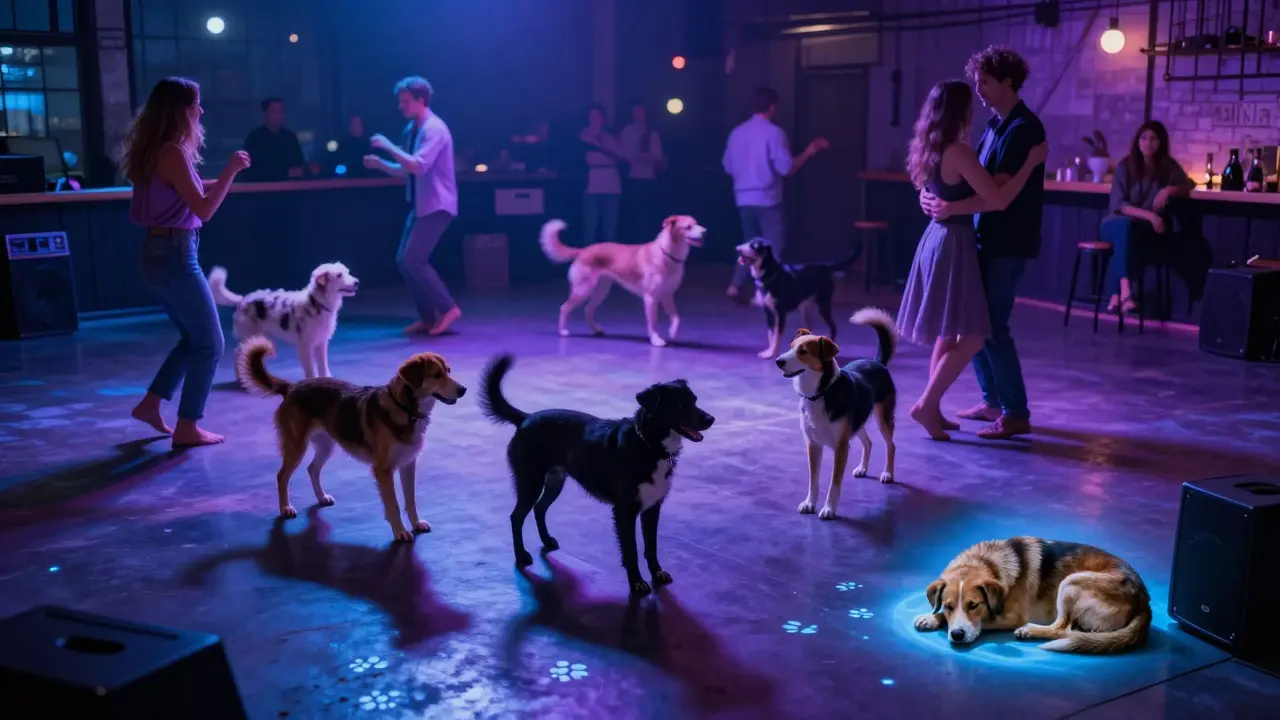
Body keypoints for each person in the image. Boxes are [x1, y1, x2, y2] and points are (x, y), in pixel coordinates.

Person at [898, 80, 1047, 440]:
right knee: (975, 335)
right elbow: (998, 199)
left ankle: (933, 408)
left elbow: (929, 191)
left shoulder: (927, 147)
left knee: (949, 331)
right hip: (954, 241)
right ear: (960, 111)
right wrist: (1030, 164)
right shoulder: (959, 151)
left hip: (935, 238)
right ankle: (926, 404)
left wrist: (938, 203)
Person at [120, 77, 251, 448]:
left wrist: (222, 179)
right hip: (175, 255)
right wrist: (230, 171)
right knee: (211, 343)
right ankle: (188, 426)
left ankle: (150, 404)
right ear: (180, 110)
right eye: (196, 104)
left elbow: (188, 193)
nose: (201, 111)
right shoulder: (172, 153)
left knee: (193, 338)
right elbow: (204, 210)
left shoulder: (157, 150)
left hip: (159, 253)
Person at [363, 76, 462, 336]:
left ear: (421, 100)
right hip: (420, 205)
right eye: (400, 101)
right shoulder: (412, 129)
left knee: (413, 260)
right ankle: (428, 318)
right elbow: (405, 170)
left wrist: (388, 146)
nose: (401, 106)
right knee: (405, 261)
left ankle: (448, 308)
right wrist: (380, 164)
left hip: (437, 205)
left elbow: (418, 166)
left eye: (406, 101)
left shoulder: (434, 129)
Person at [722, 86, 828, 301]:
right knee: (773, 248)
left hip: (742, 197)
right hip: (768, 198)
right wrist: (809, 152)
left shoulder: (736, 133)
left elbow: (728, 166)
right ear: (772, 107)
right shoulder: (774, 133)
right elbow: (786, 168)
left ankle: (735, 285)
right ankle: (764, 292)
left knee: (749, 243)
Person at [1101, 120, 1193, 315]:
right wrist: (1151, 216)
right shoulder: (1125, 166)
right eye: (1143, 138)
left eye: (1153, 139)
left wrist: (1168, 189)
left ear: (1161, 142)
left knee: (1128, 239)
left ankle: (1116, 296)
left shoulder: (1167, 166)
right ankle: (1126, 293)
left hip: (1139, 228)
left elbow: (1187, 184)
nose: (1147, 143)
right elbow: (1121, 206)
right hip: (1113, 224)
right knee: (1125, 227)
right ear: (1137, 141)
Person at [578, 103, 623, 245]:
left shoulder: (610, 137)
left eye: (597, 116)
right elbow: (587, 159)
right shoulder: (583, 136)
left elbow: (619, 157)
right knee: (590, 229)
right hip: (591, 185)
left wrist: (602, 148)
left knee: (610, 229)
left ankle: (610, 257)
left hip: (612, 184)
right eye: (592, 116)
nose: (594, 119)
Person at [619, 102, 665, 238]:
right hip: (633, 179)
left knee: (648, 215)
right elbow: (626, 156)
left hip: (650, 179)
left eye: (642, 112)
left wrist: (644, 157)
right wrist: (640, 155)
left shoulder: (653, 133)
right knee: (634, 215)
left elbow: (658, 156)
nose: (639, 115)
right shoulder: (627, 132)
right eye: (637, 111)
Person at [241, 97, 305, 182]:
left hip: (288, 187)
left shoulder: (290, 137)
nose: (280, 115)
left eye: (281, 111)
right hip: (263, 187)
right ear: (265, 114)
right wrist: (283, 173)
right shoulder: (254, 139)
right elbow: (251, 170)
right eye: (276, 112)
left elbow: (298, 164)